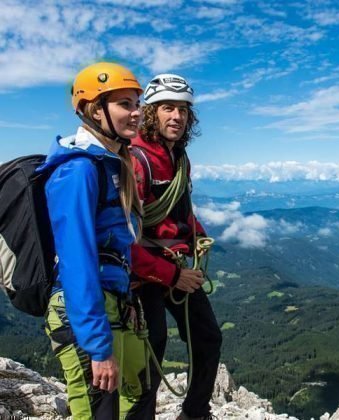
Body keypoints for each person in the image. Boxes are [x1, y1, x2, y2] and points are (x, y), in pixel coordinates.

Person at [38, 62, 149, 419]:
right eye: (125, 104)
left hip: (114, 301)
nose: (136, 113)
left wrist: (127, 295)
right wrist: (98, 348)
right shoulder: (78, 169)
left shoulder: (111, 164)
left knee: (142, 386)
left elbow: (113, 246)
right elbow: (77, 260)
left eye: (137, 103)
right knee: (100, 409)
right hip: (80, 310)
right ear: (93, 109)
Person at [130, 74, 222, 420]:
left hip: (175, 264)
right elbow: (123, 239)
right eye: (168, 108)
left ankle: (195, 412)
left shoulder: (179, 158)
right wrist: (172, 276)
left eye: (183, 110)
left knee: (208, 338)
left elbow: (180, 210)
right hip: (144, 272)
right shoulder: (137, 161)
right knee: (151, 352)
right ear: (151, 113)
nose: (177, 117)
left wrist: (197, 234)